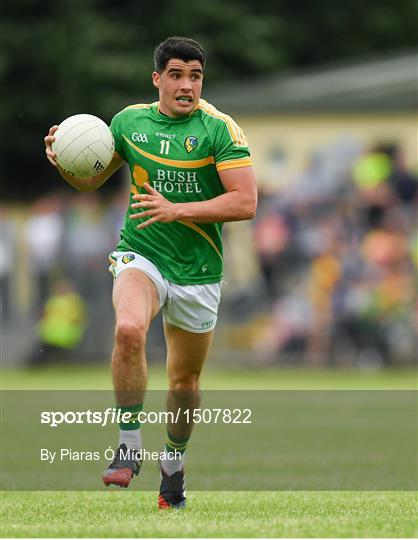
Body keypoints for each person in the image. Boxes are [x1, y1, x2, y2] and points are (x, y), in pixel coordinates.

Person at [44, 36, 257, 509]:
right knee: (128, 329)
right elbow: (92, 179)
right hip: (141, 252)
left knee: (184, 384)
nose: (187, 85)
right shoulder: (127, 122)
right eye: (177, 74)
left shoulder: (220, 129)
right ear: (157, 77)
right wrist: (65, 161)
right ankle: (128, 444)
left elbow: (245, 202)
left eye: (195, 76)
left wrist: (178, 210)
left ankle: (173, 467)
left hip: (199, 269)